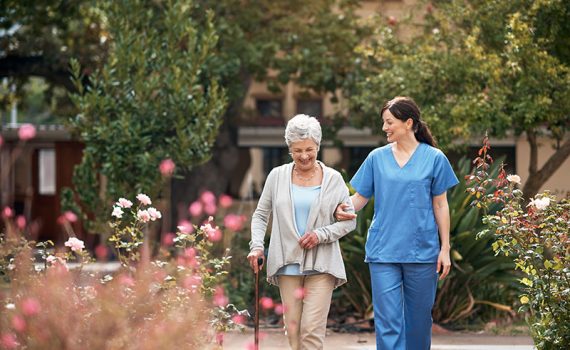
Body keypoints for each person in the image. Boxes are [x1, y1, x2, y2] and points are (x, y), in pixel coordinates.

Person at [335, 96, 458, 350]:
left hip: (422, 251)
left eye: (389, 122)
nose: (384, 128)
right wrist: (339, 207)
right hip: (384, 251)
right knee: (387, 322)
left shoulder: (435, 158)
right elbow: (359, 198)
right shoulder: (376, 158)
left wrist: (444, 248)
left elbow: (440, 204)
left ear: (408, 122)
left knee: (419, 322)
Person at [247, 114, 356, 350]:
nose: (304, 156)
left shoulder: (334, 179)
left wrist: (320, 235)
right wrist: (256, 245)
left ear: (318, 145)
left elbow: (349, 222)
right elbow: (260, 214)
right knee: (294, 332)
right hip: (287, 263)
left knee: (311, 331)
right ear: (289, 149)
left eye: (309, 149)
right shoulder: (277, 177)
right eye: (297, 150)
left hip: (322, 264)